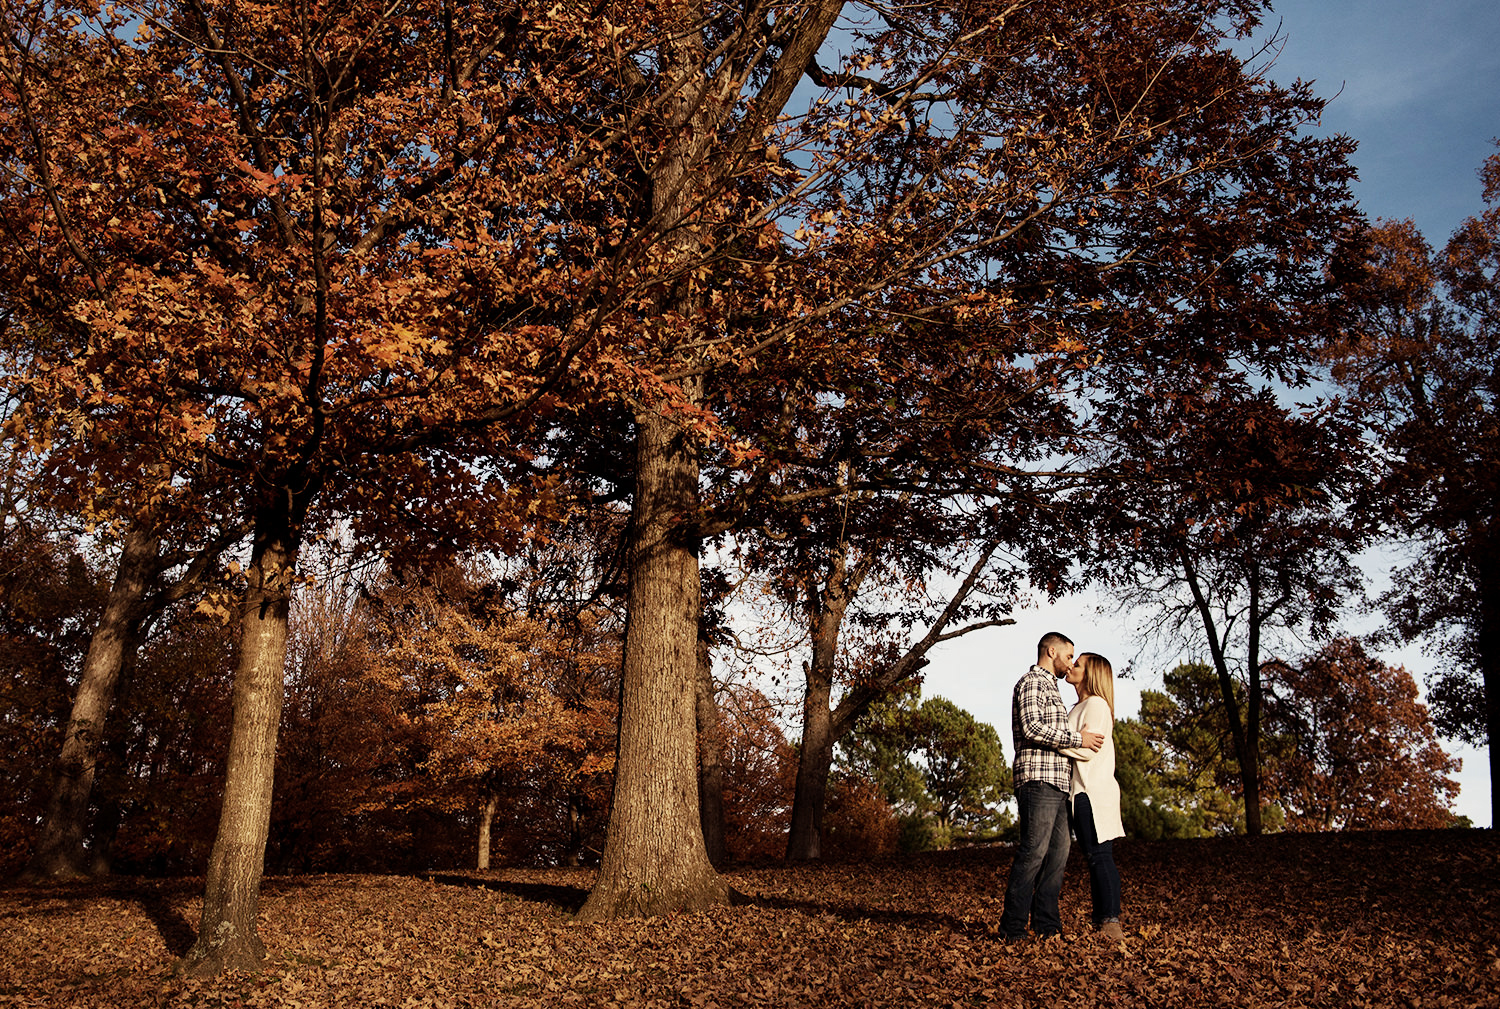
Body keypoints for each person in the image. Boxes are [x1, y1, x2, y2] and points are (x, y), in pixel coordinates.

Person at [999, 632, 1103, 941]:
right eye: (1069, 656)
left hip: (1058, 782)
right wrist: (1078, 739)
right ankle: (1013, 928)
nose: (1071, 663)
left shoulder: (1053, 689)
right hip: (1038, 778)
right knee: (1034, 851)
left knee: (1059, 852)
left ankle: (1047, 925)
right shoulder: (1033, 682)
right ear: (1052, 650)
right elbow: (1032, 728)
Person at [1060, 652, 1125, 941]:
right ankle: (1101, 919)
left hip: (1093, 793)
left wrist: (1055, 744)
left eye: (1079, 663)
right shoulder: (1079, 706)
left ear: (1091, 673)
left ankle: (1110, 922)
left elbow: (1088, 749)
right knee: (1093, 857)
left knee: (1100, 856)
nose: (1072, 666)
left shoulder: (1096, 705)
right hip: (1080, 792)